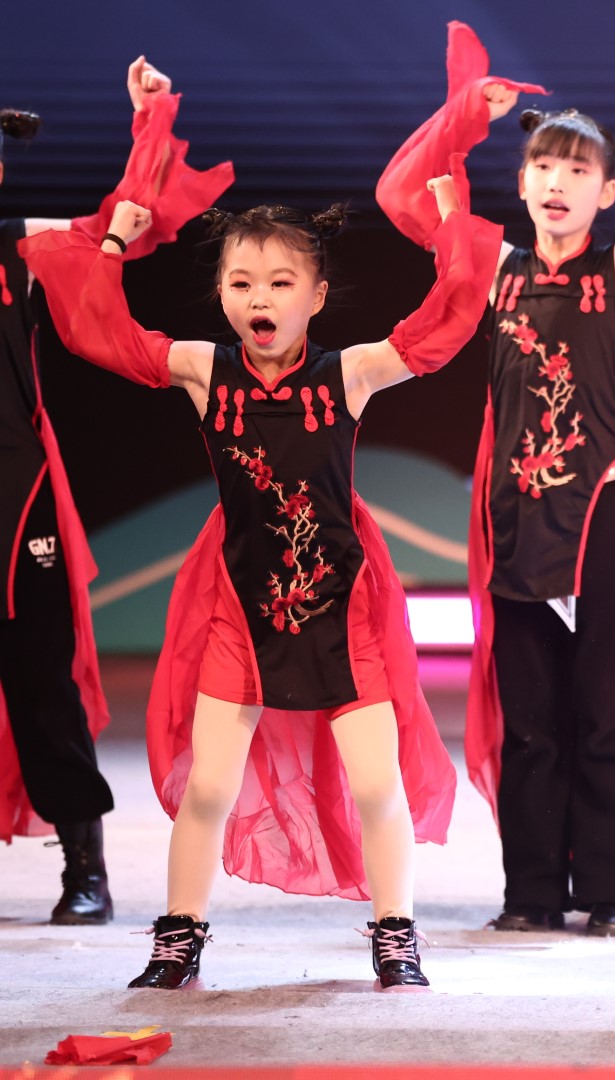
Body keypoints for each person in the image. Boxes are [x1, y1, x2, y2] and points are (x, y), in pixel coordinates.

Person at [22, 121, 500, 988]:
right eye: (241, 282)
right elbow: (100, 331)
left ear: (316, 295)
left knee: (376, 784)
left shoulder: (350, 373)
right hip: (240, 605)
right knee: (209, 785)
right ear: (220, 293)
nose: (260, 298)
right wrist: (116, 242)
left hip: (340, 603)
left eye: (281, 282)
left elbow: (447, 320)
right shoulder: (205, 371)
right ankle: (179, 936)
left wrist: (450, 217)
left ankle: (396, 932)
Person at [374, 24, 615, 938]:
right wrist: (465, 116)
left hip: (601, 509)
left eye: (579, 169)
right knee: (529, 714)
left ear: (607, 190)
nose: (558, 181)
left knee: (609, 708)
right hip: (515, 514)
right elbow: (400, 194)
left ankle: (610, 892)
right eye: (543, 165)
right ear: (524, 181)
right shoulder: (490, 266)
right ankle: (531, 891)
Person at [0, 58, 230, 926]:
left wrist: (149, 122)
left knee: (42, 685)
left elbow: (124, 221)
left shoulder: (22, 247)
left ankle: (84, 867)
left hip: (14, 501)